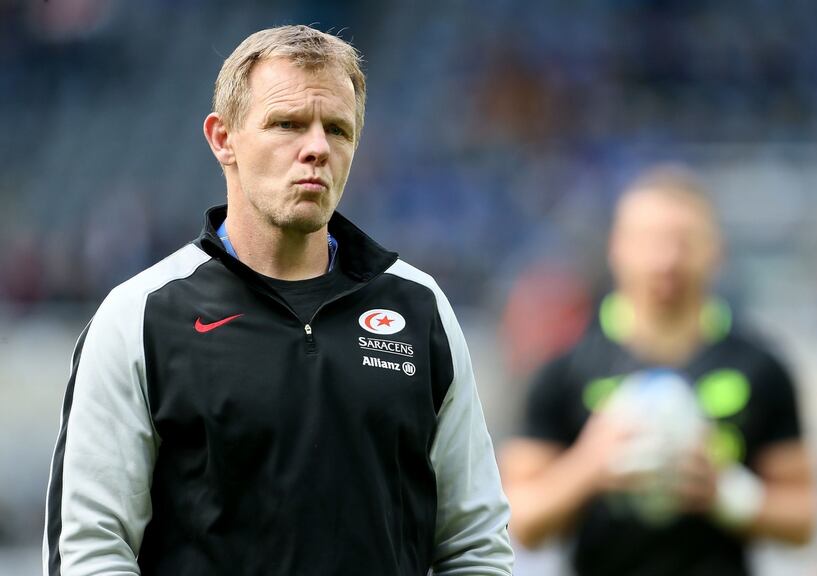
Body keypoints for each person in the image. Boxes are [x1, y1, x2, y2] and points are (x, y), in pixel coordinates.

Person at [43, 25, 513, 576]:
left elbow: (475, 545)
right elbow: (92, 550)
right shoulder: (141, 316)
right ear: (223, 139)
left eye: (337, 129)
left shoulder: (419, 308)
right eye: (287, 124)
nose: (316, 148)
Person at [500, 166, 817, 575]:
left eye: (684, 241)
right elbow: (520, 519)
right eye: (649, 240)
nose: (666, 259)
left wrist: (729, 494)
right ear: (617, 247)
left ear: (715, 250)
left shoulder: (761, 367)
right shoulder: (563, 369)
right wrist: (591, 465)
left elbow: (805, 516)